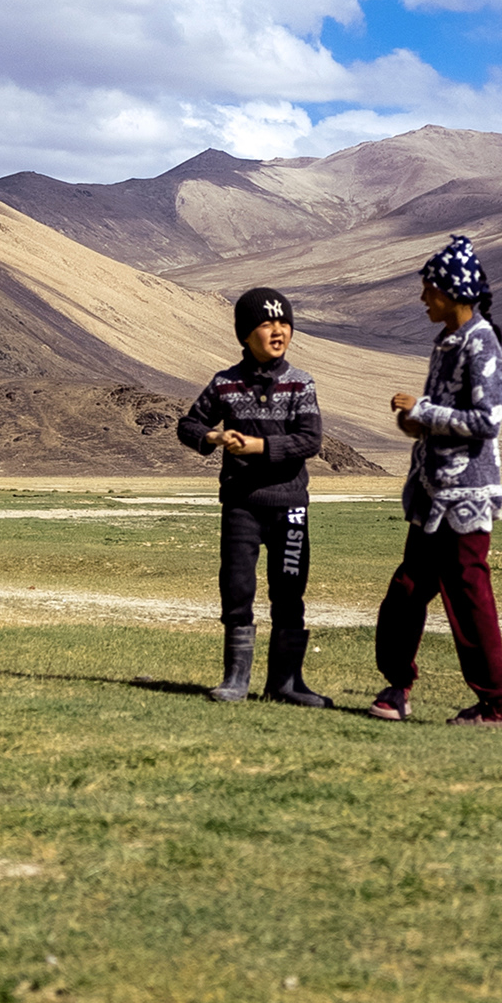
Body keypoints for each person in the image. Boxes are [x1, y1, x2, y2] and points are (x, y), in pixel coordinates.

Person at [369, 235, 502, 726]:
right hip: (432, 494)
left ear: (451, 292)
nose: (423, 299)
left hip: (467, 497)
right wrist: (414, 423)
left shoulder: (482, 343)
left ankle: (499, 704)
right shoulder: (447, 342)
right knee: (407, 591)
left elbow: (487, 419)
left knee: (470, 599)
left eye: (428, 290)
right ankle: (396, 686)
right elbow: (441, 419)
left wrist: (423, 410)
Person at [177, 287, 329, 707]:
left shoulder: (301, 383)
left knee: (289, 590)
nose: (278, 331)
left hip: (290, 506)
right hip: (241, 504)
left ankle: (287, 682)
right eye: (266, 324)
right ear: (245, 334)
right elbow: (188, 424)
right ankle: (235, 679)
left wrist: (259, 448)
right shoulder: (225, 384)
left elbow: (309, 441)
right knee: (237, 587)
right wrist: (213, 435)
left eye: (284, 323)